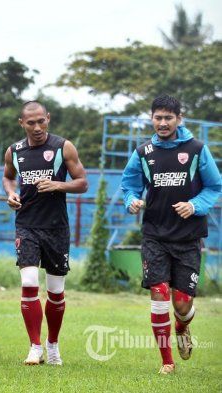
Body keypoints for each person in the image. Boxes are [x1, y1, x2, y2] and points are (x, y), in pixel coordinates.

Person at [121, 94, 221, 375]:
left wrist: (194, 205)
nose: (162, 123)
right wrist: (132, 202)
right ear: (151, 119)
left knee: (182, 304)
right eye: (158, 118)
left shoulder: (197, 149)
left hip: (188, 238)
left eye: (168, 118)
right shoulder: (143, 153)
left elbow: (214, 186)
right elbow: (129, 186)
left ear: (179, 119)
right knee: (159, 293)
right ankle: (167, 362)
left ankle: (182, 327)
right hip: (154, 235)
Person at [2, 100, 88, 366]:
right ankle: (34, 347)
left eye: (41, 121)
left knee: (55, 290)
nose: (37, 127)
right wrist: (10, 193)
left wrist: (58, 185)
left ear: (48, 118)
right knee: (28, 283)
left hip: (56, 228)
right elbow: (8, 176)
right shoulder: (14, 151)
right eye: (31, 123)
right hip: (26, 225)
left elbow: (83, 182)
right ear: (22, 123)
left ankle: (52, 344)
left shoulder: (63, 147)